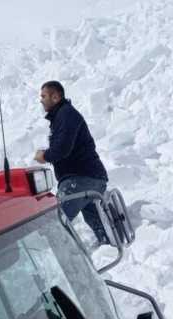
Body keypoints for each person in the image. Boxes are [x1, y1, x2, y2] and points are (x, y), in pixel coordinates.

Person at [34, 81, 110, 246]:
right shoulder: (62, 116)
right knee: (100, 227)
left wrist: (44, 156)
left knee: (56, 223)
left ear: (56, 97)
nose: (41, 100)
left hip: (80, 181)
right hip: (90, 179)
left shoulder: (66, 114)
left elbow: (62, 149)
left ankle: (71, 263)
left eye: (44, 96)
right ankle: (109, 248)